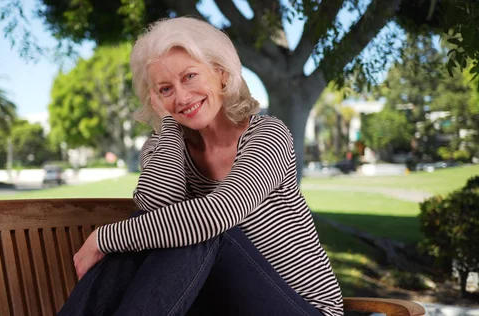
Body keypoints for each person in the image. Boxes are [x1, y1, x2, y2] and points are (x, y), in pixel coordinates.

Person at [59, 16, 344, 316]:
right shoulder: (161, 147)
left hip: (304, 308)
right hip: (221, 304)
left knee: (206, 228)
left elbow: (217, 213)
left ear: (221, 73)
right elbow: (156, 206)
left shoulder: (267, 135)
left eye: (190, 76)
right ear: (154, 98)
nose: (182, 96)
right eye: (165, 89)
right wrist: (169, 122)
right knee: (168, 226)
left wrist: (104, 239)